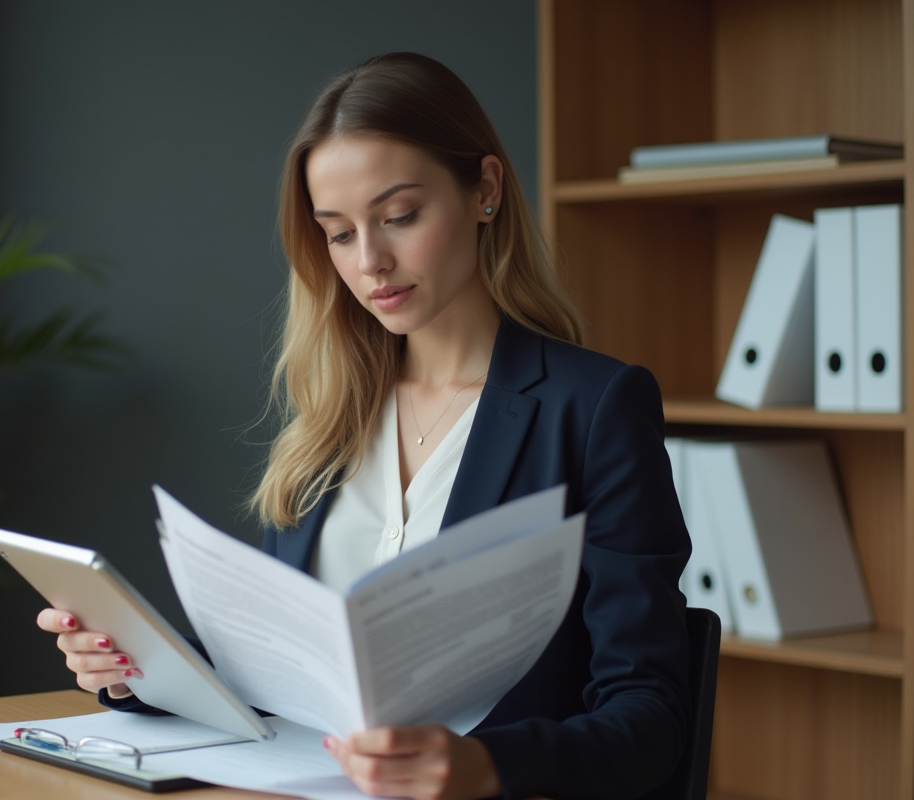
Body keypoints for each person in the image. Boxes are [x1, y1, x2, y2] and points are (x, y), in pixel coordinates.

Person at [37, 52, 691, 800]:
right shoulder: (333, 415)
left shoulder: (595, 405)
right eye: (339, 233)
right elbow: (271, 665)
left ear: (484, 190)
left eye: (400, 217)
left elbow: (653, 718)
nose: (371, 262)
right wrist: (136, 668)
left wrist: (487, 766)